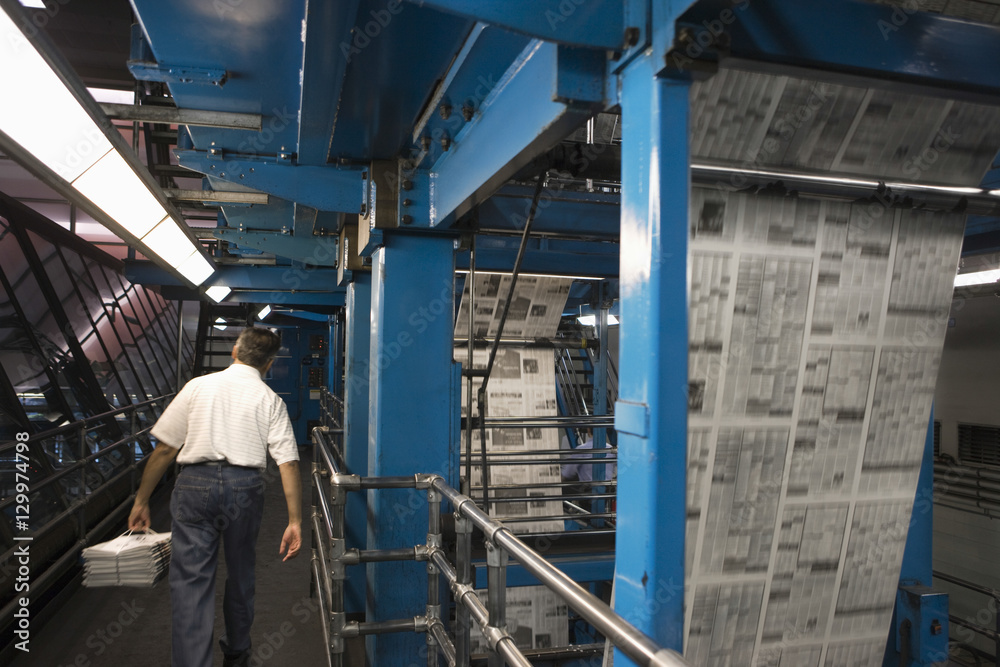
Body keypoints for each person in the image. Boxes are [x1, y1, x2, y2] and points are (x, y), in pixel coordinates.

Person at [128, 327, 302, 667]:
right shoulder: (271, 400)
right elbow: (288, 463)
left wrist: (141, 500)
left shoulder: (198, 387)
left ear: (235, 351)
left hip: (194, 484)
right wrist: (294, 520)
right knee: (241, 572)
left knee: (191, 581)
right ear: (268, 364)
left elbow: (165, 449)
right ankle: (237, 652)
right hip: (244, 487)